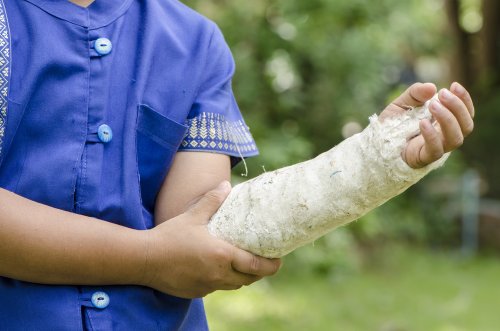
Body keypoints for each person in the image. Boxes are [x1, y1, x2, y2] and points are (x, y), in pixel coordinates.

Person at [0, 0, 474, 330]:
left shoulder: (195, 42)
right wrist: (146, 259)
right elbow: (166, 254)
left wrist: (380, 156)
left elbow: (204, 230)